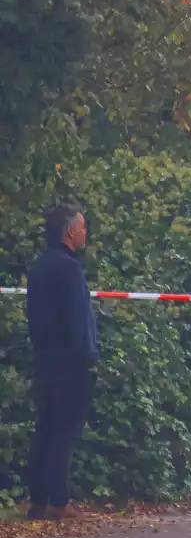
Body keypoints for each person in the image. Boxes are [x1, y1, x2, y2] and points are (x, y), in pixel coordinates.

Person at [24, 203, 98, 521]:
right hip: (72, 365)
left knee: (45, 430)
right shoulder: (70, 269)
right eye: (81, 226)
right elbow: (78, 320)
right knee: (64, 433)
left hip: (46, 361)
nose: (85, 232)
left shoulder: (39, 267)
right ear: (70, 231)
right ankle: (59, 501)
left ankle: (38, 500)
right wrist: (89, 357)